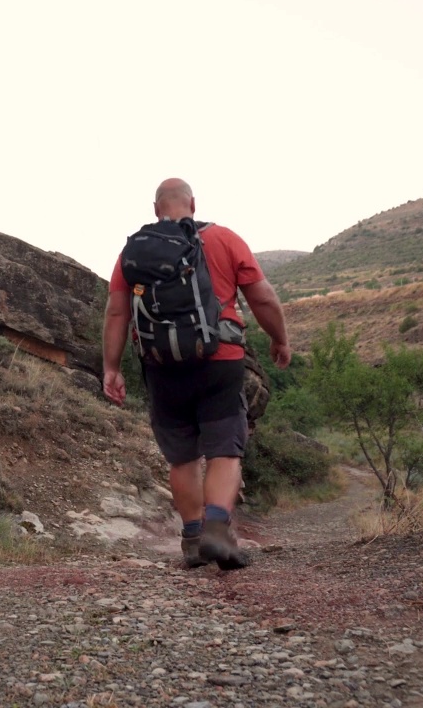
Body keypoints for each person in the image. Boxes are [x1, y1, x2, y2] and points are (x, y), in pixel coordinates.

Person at [102, 178, 291, 570]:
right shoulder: (224, 239)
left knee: (182, 459)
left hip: (161, 366)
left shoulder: (135, 251)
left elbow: (117, 312)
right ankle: (217, 530)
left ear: (157, 209)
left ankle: (191, 539)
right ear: (193, 203)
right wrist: (280, 340)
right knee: (224, 449)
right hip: (219, 359)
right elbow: (262, 297)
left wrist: (111, 367)